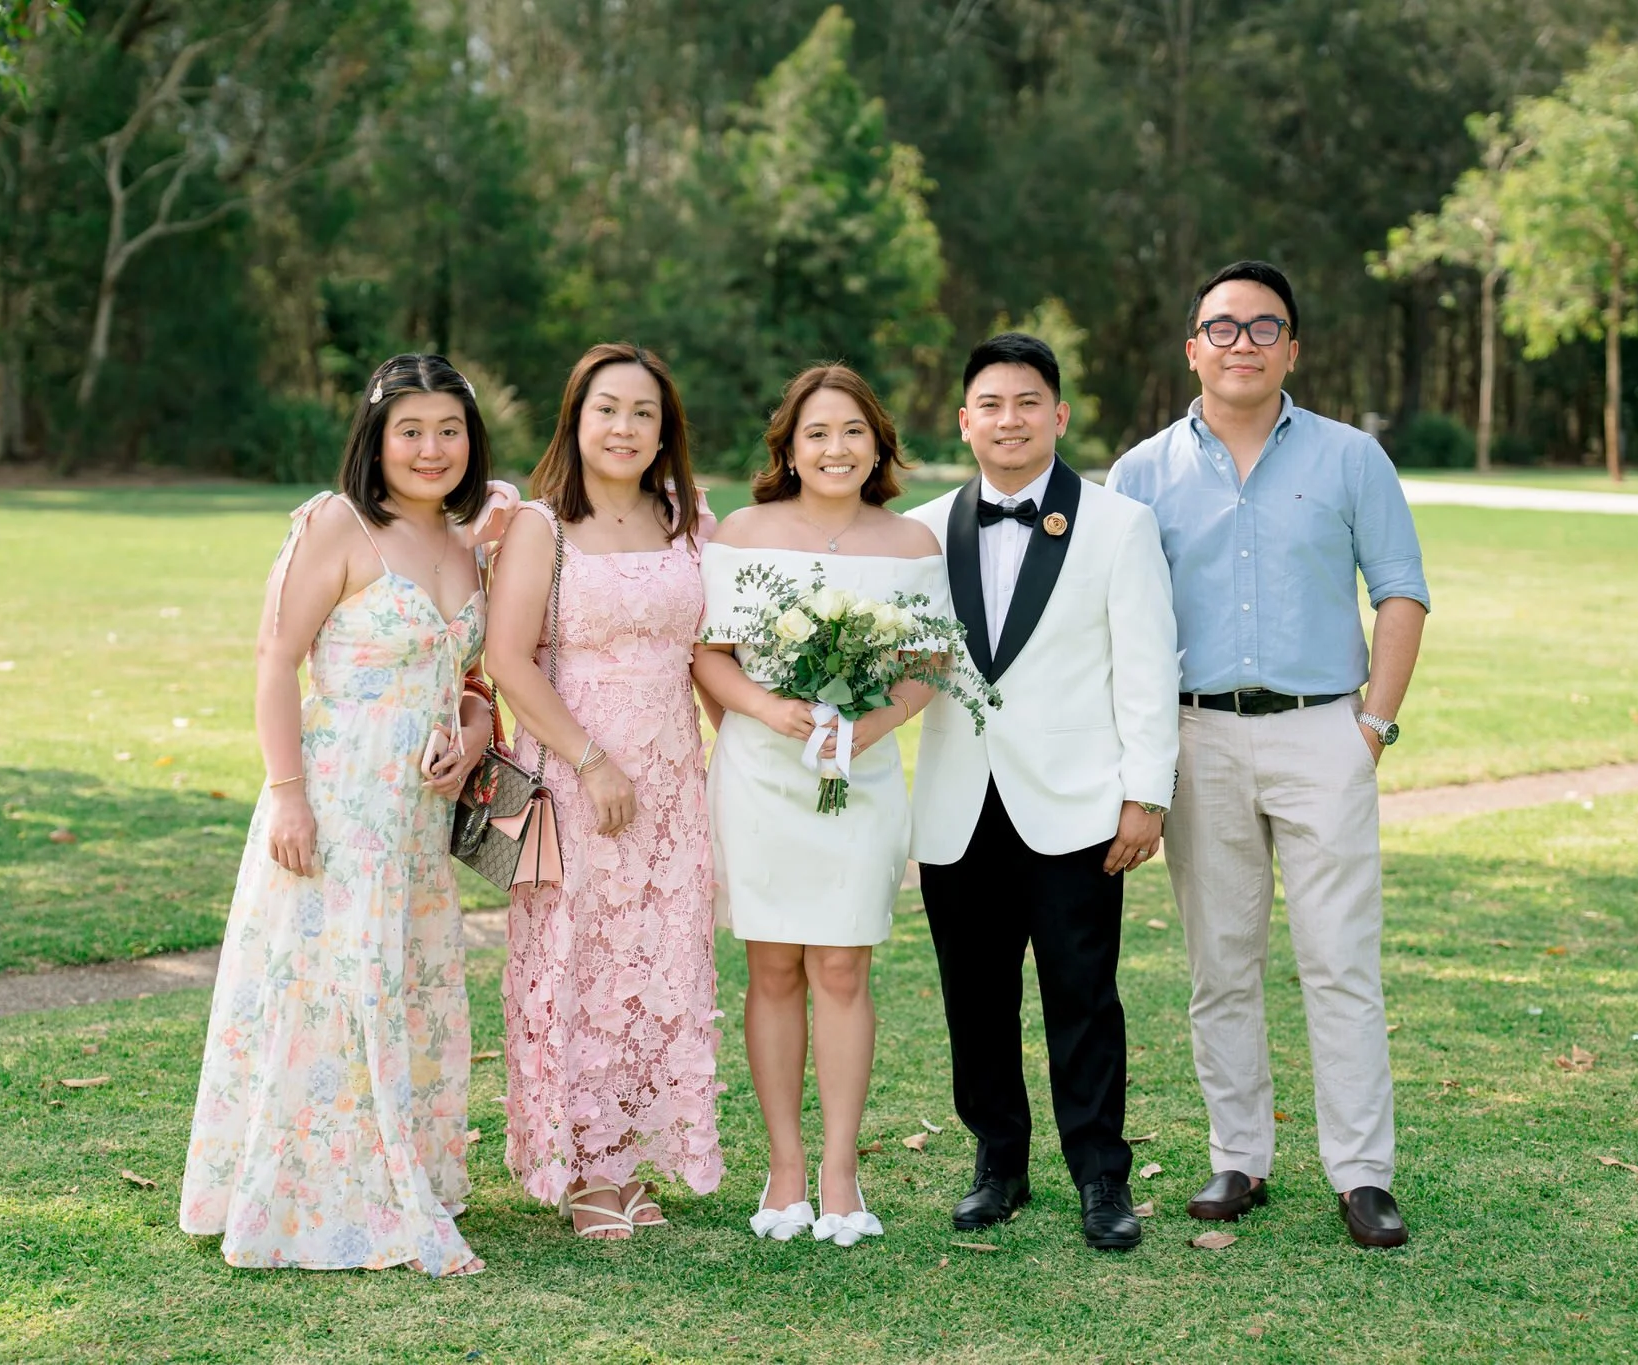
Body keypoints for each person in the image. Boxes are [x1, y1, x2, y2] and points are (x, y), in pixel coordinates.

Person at [1107, 260, 1430, 1249]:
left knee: (1338, 961)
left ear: (1291, 347)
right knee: (1220, 965)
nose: (1240, 343)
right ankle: (1237, 1157)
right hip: (1196, 737)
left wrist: (1370, 725)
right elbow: (1114, 628)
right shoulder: (1139, 473)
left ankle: (1360, 1173)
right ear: (1191, 347)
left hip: (1322, 732)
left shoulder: (1347, 459)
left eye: (1262, 327)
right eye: (1221, 327)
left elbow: (1400, 591)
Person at [180, 353, 518, 1277]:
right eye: (410, 429)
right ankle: (317, 1187)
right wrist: (287, 791)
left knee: (400, 979)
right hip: (337, 795)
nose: (431, 447)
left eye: (449, 429)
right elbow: (272, 658)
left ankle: (399, 1160)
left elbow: (471, 675)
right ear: (376, 436)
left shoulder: (465, 540)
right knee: (329, 980)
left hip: (417, 817)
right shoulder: (338, 526)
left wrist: (476, 726)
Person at [906, 333, 1179, 1252]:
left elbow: (1146, 669)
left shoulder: (1118, 525)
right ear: (964, 421)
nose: (1009, 419)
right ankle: (999, 1161)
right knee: (974, 996)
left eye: (1028, 403)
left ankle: (1103, 1174)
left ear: (1058, 416)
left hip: (1075, 801)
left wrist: (1146, 794)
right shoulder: (923, 527)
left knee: (1082, 993)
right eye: (991, 404)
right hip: (958, 801)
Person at [693, 364, 947, 1248]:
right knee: (772, 968)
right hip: (762, 771)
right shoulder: (744, 531)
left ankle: (841, 1173)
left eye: (852, 431)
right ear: (788, 449)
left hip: (860, 777)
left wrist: (865, 730)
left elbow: (927, 669)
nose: (835, 448)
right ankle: (786, 1167)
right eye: (816, 433)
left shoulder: (911, 543)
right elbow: (710, 654)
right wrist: (772, 710)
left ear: (877, 443)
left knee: (841, 968)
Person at [483, 342, 723, 1240]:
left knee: (659, 960)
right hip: (577, 772)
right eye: (607, 410)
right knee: (578, 959)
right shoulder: (542, 525)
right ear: (576, 421)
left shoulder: (686, 517)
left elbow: (706, 652)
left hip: (671, 776)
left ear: (666, 432)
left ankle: (632, 1155)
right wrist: (591, 760)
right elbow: (508, 660)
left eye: (644, 413)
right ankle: (583, 1164)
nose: (624, 428)